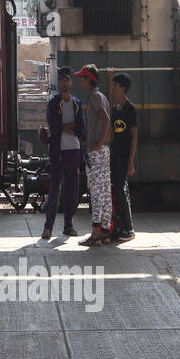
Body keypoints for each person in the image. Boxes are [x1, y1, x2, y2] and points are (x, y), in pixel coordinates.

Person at [41, 67, 85, 240]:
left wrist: (63, 128)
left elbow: (81, 129)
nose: (64, 82)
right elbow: (54, 127)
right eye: (62, 79)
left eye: (67, 79)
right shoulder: (53, 103)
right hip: (58, 152)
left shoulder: (76, 103)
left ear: (71, 83)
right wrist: (68, 127)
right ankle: (48, 228)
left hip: (73, 151)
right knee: (54, 189)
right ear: (59, 82)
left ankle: (69, 225)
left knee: (72, 190)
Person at [74, 64, 112, 247]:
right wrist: (104, 142)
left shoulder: (95, 97)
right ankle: (105, 232)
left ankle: (95, 234)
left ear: (89, 79)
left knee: (96, 193)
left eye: (82, 77)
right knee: (105, 191)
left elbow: (105, 119)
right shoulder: (102, 96)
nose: (79, 80)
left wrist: (97, 142)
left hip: (97, 151)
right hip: (104, 150)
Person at [108, 72, 137, 243]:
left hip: (124, 156)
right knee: (115, 190)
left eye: (115, 86)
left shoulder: (130, 109)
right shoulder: (116, 109)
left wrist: (131, 162)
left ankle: (130, 228)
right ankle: (118, 226)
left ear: (123, 88)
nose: (113, 88)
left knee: (120, 189)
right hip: (114, 155)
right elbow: (112, 128)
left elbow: (134, 136)